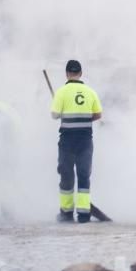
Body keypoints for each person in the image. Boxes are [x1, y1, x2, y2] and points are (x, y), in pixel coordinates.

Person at [51, 60, 102, 223]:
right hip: (85, 140)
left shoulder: (61, 92)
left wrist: (62, 112)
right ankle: (84, 214)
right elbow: (98, 115)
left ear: (67, 74)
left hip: (67, 140)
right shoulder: (90, 92)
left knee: (66, 175)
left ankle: (66, 213)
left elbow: (54, 115)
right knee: (83, 175)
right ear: (80, 73)